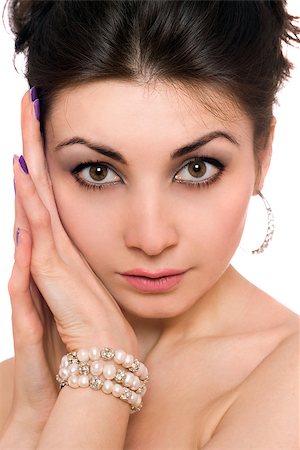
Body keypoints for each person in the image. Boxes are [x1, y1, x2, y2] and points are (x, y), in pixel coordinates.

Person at [0, 0, 299, 448]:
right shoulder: (17, 387)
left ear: (262, 155)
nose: (151, 238)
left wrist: (100, 381)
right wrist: (28, 419)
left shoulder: (289, 385)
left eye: (197, 169)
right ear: (40, 165)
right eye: (97, 172)